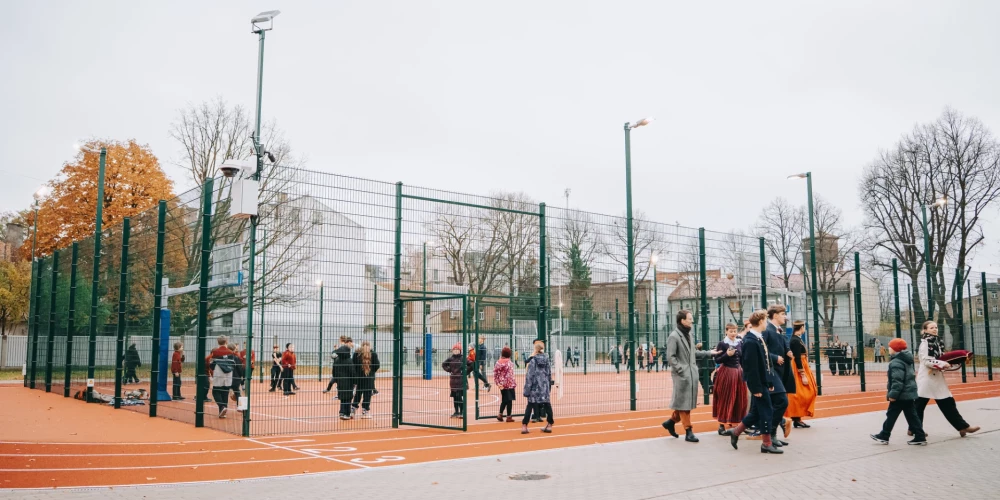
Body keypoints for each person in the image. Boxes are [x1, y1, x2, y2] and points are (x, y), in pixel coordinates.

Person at [725, 310, 783, 454]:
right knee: (767, 411)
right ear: (761, 321)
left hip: (763, 382)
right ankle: (766, 443)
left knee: (757, 412)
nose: (766, 323)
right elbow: (750, 367)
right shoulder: (751, 341)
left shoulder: (758, 338)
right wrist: (756, 387)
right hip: (757, 383)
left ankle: (736, 432)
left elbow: (764, 363)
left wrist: (768, 382)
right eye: (765, 320)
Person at [910, 321, 980, 438]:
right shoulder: (925, 343)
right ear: (925, 330)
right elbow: (927, 361)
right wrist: (942, 364)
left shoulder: (937, 342)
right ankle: (915, 429)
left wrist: (951, 362)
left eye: (936, 327)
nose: (935, 329)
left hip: (936, 378)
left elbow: (941, 357)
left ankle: (962, 426)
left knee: (946, 403)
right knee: (921, 406)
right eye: (932, 328)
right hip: (927, 379)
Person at [662, 309, 721, 443]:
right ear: (682, 320)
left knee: (684, 401)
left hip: (691, 374)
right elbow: (670, 357)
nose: (692, 321)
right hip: (682, 375)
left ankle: (670, 422)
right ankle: (688, 431)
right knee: (685, 404)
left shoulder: (688, 335)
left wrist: (710, 353)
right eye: (689, 319)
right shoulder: (674, 336)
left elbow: (693, 353)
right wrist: (681, 370)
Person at [870, 338, 927, 446]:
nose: (888, 348)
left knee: (891, 414)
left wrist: (893, 395)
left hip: (901, 395)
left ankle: (884, 435)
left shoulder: (896, 362)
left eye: (890, 347)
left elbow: (897, 381)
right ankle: (920, 436)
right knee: (912, 416)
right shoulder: (906, 360)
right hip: (908, 393)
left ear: (895, 349)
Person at [762, 305, 794, 443]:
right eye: (782, 314)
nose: (785, 317)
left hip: (780, 371)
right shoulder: (767, 330)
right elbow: (762, 350)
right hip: (771, 371)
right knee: (781, 401)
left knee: (770, 404)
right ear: (774, 315)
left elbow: (782, 345)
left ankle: (771, 435)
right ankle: (770, 433)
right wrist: (775, 358)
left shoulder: (778, 330)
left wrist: (787, 352)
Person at [713, 323, 747, 434]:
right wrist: (727, 354)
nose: (733, 333)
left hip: (738, 372)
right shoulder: (722, 344)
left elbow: (742, 358)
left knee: (739, 398)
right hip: (727, 372)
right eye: (731, 331)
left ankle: (739, 424)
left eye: (735, 331)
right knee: (725, 397)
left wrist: (744, 370)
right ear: (726, 331)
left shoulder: (739, 342)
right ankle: (721, 425)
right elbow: (717, 360)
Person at [786, 321, 816, 428]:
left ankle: (797, 417)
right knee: (803, 392)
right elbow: (798, 358)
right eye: (804, 327)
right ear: (801, 327)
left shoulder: (797, 339)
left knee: (803, 392)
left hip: (802, 364)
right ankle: (796, 417)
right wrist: (802, 373)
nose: (805, 329)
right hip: (798, 366)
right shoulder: (795, 340)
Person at [521, 341, 554, 434]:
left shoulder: (533, 360)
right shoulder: (547, 359)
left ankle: (524, 425)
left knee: (530, 405)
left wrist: (527, 390)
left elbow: (529, 376)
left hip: (534, 387)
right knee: (547, 405)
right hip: (544, 386)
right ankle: (550, 424)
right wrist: (548, 387)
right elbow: (549, 374)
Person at [207, 336, 236, 418]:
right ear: (226, 341)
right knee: (225, 391)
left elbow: (211, 363)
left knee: (215, 391)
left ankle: (221, 406)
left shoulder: (215, 352)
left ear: (218, 342)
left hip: (219, 372)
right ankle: (223, 411)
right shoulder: (230, 352)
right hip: (229, 373)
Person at [350, 341, 379, 418]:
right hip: (369, 378)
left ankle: (353, 409)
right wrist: (371, 371)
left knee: (358, 393)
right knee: (367, 394)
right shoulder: (373, 354)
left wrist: (356, 373)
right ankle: (365, 411)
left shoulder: (357, 354)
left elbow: (353, 365)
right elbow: (377, 365)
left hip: (359, 377)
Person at [443, 343, 468, 419]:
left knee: (459, 396)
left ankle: (462, 412)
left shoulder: (463, 358)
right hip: (453, 381)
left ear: (460, 350)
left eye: (457, 349)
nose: (455, 351)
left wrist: (465, 372)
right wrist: (449, 370)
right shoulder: (450, 359)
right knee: (455, 397)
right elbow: (444, 364)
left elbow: (471, 364)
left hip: (460, 380)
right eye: (454, 349)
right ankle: (456, 412)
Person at [494, 346, 517, 422]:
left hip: (501, 385)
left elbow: (495, 374)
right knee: (509, 400)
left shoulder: (498, 362)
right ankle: (508, 416)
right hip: (509, 384)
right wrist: (509, 383)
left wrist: (498, 383)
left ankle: (500, 414)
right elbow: (509, 375)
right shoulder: (509, 363)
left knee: (504, 400)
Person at [333, 337, 354, 419]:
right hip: (348, 382)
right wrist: (355, 381)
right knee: (348, 397)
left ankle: (341, 412)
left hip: (340, 381)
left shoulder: (337, 360)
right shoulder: (349, 360)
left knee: (342, 397)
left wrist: (336, 378)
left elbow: (334, 370)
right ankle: (347, 413)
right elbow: (352, 372)